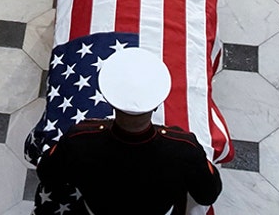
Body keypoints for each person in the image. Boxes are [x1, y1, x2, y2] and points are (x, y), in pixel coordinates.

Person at [33, 47, 224, 212]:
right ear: (156, 105)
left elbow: (48, 175)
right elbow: (207, 194)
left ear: (110, 101)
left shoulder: (80, 139)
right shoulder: (184, 147)